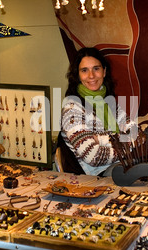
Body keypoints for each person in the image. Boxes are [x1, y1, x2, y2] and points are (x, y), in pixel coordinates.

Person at [58, 47, 137, 176]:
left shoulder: (108, 102)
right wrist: (124, 144)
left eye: (96, 68)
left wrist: (99, 140)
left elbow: (135, 132)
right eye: (84, 70)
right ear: (78, 75)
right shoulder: (72, 108)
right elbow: (94, 156)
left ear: (104, 71)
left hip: (119, 166)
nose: (91, 76)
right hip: (95, 177)